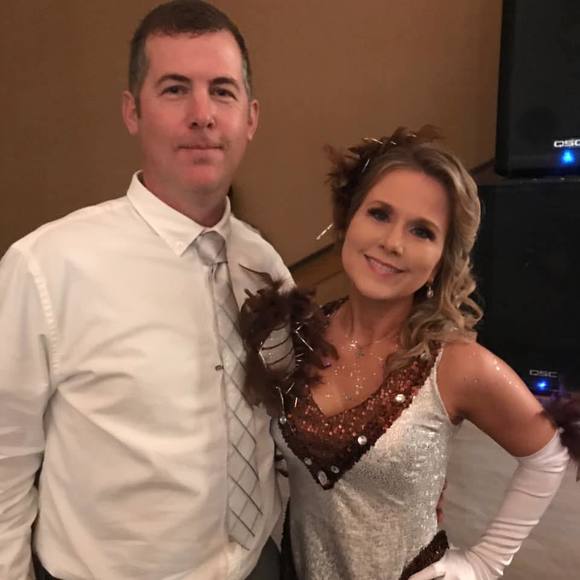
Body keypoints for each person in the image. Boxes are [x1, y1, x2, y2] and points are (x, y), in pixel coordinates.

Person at [0, 1, 291, 579]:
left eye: (223, 92)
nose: (202, 115)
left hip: (257, 562)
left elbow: (281, 428)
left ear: (250, 118)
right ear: (132, 111)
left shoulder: (266, 268)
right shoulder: (46, 268)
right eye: (175, 89)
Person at [240, 126, 579, 580]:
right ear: (348, 221)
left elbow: (548, 456)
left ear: (441, 259)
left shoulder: (456, 364)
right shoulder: (298, 334)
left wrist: (483, 564)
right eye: (379, 214)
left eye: (422, 231)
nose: (393, 242)